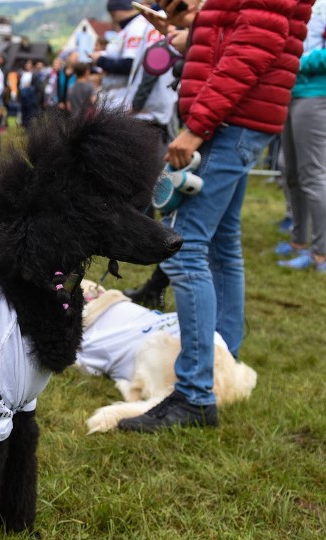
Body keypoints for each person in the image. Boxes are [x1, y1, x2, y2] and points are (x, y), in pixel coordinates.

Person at [118, 0, 315, 432]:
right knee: (222, 245)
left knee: (184, 251)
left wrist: (197, 127)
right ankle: (222, 360)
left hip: (231, 122)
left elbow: (248, 53)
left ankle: (194, 393)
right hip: (238, 119)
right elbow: (231, 37)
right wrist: (187, 21)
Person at [276, 0, 326, 273]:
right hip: (291, 92)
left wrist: (296, 63)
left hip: (316, 93)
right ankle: (298, 241)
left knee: (313, 174)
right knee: (290, 169)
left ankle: (321, 253)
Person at [18, 59, 40, 125]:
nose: (28, 65)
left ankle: (29, 127)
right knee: (23, 111)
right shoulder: (22, 73)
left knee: (30, 112)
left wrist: (30, 87)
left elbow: (37, 86)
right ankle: (24, 125)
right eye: (27, 63)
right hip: (22, 95)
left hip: (30, 96)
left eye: (29, 63)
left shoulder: (34, 74)